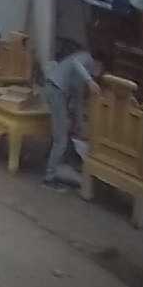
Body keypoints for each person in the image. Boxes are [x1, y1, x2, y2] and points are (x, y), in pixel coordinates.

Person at [43, 50, 102, 188]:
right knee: (61, 139)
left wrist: (80, 126)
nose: (98, 74)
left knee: (64, 133)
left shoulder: (82, 75)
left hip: (56, 91)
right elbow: (76, 63)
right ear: (99, 63)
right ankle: (49, 178)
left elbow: (78, 101)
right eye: (100, 70)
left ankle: (59, 164)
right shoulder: (86, 57)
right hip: (56, 90)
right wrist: (89, 81)